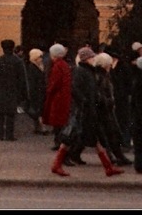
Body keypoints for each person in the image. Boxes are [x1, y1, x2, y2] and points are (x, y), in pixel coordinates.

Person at [51, 46, 124, 178]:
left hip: (88, 111)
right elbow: (75, 90)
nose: (93, 59)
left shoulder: (89, 72)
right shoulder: (80, 71)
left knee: (93, 140)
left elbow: (92, 92)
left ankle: (108, 167)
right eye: (91, 57)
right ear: (86, 59)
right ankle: (56, 165)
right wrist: (84, 102)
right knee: (72, 139)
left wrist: (97, 101)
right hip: (83, 112)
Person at [0, 38, 26, 141]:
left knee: (0, 113)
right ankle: (10, 135)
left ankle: (0, 134)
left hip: (0, 90)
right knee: (11, 113)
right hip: (13, 90)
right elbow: (22, 78)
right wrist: (22, 92)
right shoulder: (18, 61)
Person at [43, 44, 71, 151]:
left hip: (57, 97)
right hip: (63, 96)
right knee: (61, 121)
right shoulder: (64, 64)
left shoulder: (57, 66)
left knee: (57, 121)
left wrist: (49, 90)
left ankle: (58, 142)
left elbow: (54, 82)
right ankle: (59, 141)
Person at [24, 48, 47, 135]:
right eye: (39, 57)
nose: (41, 59)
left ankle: (37, 127)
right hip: (37, 91)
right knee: (39, 110)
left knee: (38, 110)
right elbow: (32, 82)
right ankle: (42, 127)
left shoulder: (38, 66)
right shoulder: (32, 68)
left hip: (39, 91)